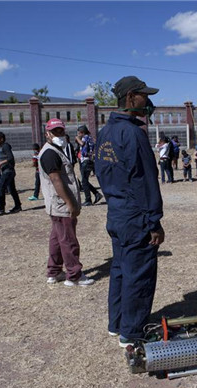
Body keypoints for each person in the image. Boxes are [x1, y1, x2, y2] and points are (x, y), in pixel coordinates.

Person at [95, 76, 165, 347]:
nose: (148, 101)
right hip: (136, 217)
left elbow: (101, 172)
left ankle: (117, 324)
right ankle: (132, 333)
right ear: (131, 97)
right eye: (144, 95)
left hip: (116, 213)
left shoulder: (105, 133)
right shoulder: (133, 133)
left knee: (120, 269)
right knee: (139, 274)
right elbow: (145, 181)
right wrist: (154, 222)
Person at [39, 118, 94, 287]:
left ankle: (54, 271)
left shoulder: (56, 150)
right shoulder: (50, 153)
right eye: (55, 132)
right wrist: (70, 203)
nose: (59, 134)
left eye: (61, 131)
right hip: (61, 205)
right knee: (68, 240)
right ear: (47, 134)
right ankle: (74, 275)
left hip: (56, 205)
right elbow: (56, 180)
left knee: (57, 239)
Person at [0, 132, 22, 214]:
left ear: (2, 139)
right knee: (12, 189)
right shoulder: (0, 147)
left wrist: (1, 163)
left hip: (8, 171)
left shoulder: (5, 146)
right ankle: (18, 206)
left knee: (1, 188)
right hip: (6, 170)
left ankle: (1, 208)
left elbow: (10, 157)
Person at [76, 125, 103, 206]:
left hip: (86, 161)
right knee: (84, 180)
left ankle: (88, 200)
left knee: (84, 181)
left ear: (82, 132)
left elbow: (82, 144)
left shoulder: (85, 137)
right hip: (90, 161)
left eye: (78, 133)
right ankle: (96, 194)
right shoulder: (90, 137)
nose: (78, 134)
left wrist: (77, 139)